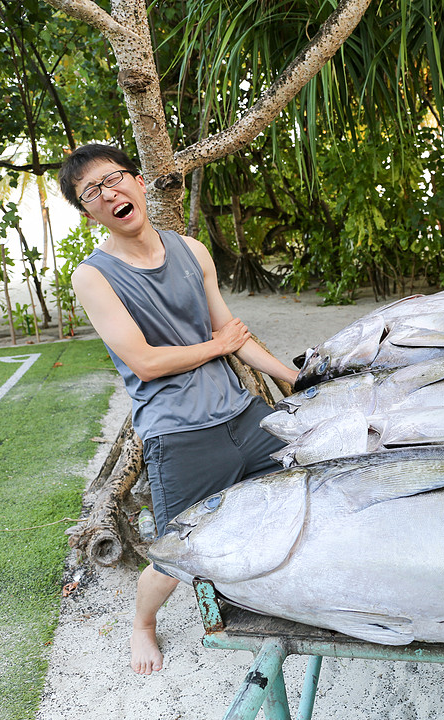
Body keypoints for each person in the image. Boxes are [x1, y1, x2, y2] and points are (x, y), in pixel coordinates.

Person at [59, 144, 298, 675]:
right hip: (179, 434)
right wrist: (216, 345)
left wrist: (294, 377)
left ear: (138, 182)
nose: (108, 193)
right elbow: (144, 362)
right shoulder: (93, 277)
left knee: (302, 488)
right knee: (176, 558)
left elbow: (232, 332)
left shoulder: (192, 250)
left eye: (114, 179)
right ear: (88, 211)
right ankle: (143, 624)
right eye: (91, 192)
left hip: (242, 414)